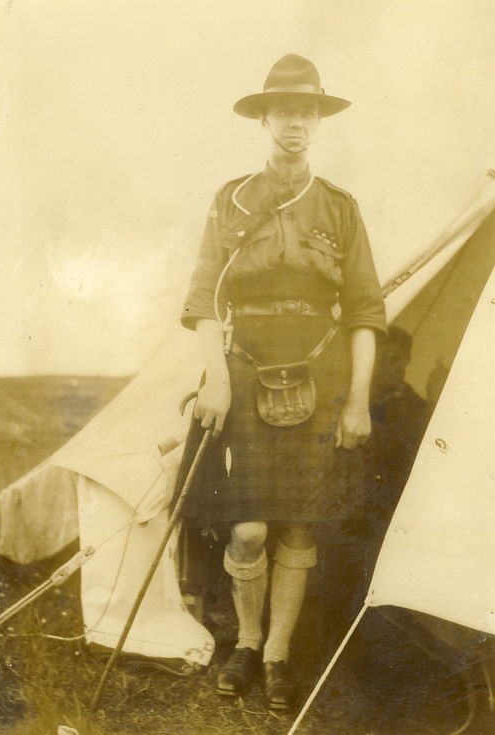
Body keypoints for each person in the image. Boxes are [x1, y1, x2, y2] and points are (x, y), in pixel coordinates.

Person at [177, 53, 386, 710]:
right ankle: (244, 638)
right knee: (247, 528)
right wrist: (214, 377)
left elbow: (363, 311)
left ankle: (275, 658)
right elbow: (203, 300)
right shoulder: (230, 200)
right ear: (263, 118)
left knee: (298, 527)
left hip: (317, 371)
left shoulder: (340, 208)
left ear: (316, 121)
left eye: (306, 111)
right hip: (243, 370)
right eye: (283, 111)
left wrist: (356, 399)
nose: (294, 123)